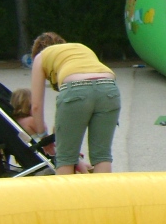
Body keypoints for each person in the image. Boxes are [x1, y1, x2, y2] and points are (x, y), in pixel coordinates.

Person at [30, 33, 120, 175]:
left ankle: (66, 197)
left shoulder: (41, 57)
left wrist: (43, 136)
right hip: (109, 88)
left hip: (76, 90)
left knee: (65, 158)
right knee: (102, 156)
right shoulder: (80, 48)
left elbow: (35, 105)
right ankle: (103, 196)